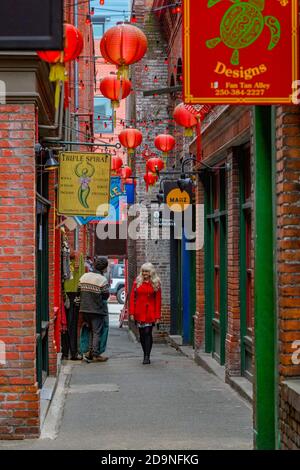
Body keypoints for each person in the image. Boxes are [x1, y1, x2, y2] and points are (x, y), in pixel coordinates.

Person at [78, 256, 110, 362]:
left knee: (87, 330)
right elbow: (105, 296)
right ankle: (95, 354)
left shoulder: (84, 276)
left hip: (84, 308)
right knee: (96, 332)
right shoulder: (102, 280)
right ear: (104, 268)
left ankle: (86, 352)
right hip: (96, 310)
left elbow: (79, 291)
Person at [129, 263, 161, 365]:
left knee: (147, 333)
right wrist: (132, 313)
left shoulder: (156, 283)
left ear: (151, 272)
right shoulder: (137, 282)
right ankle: (145, 352)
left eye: (146, 271)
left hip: (150, 313)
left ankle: (146, 356)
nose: (144, 273)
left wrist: (157, 316)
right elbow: (132, 298)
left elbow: (158, 301)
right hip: (139, 312)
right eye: (143, 271)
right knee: (142, 334)